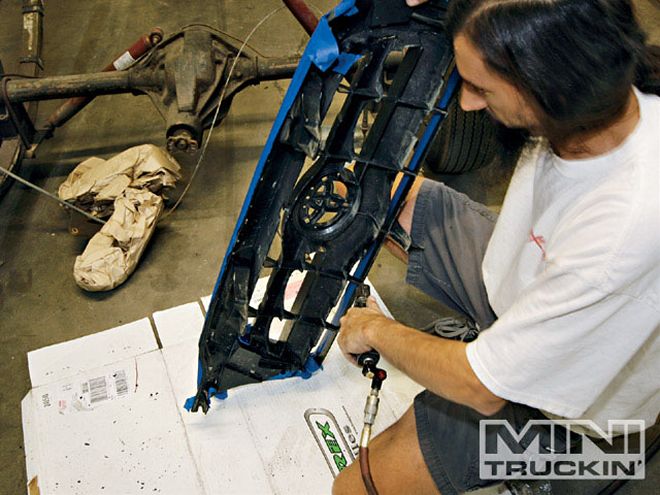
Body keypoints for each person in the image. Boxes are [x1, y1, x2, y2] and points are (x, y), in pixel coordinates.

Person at [333, 0, 660, 494]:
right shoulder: (601, 90)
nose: (466, 103)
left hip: (567, 413)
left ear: (547, 86)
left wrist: (377, 330)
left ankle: (572, 464)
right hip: (524, 288)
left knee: (356, 489)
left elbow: (482, 390)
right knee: (373, 192)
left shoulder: (621, 230)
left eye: (481, 88)